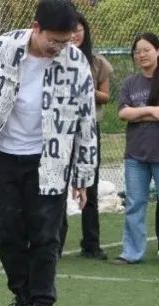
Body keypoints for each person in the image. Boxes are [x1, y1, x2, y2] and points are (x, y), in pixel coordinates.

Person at [0, 0, 96, 306]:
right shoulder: (2, 48)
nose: (59, 47)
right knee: (7, 233)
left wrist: (82, 176)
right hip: (1, 156)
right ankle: (22, 299)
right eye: (54, 40)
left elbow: (86, 121)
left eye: (66, 41)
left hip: (50, 160)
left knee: (46, 235)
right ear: (36, 28)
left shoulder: (76, 63)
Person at [59, 12, 113, 260]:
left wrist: (84, 87)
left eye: (78, 29)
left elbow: (106, 96)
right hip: (60, 130)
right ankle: (55, 243)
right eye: (70, 30)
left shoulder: (97, 62)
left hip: (89, 129)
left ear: (85, 32)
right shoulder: (55, 60)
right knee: (57, 186)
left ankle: (91, 243)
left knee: (89, 185)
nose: (74, 34)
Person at [113, 33, 159, 264]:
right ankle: (131, 252)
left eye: (146, 50)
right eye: (137, 51)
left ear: (157, 51)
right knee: (134, 203)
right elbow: (123, 113)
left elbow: (131, 112)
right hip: (135, 155)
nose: (141, 55)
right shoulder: (130, 83)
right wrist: (151, 111)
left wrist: (136, 113)